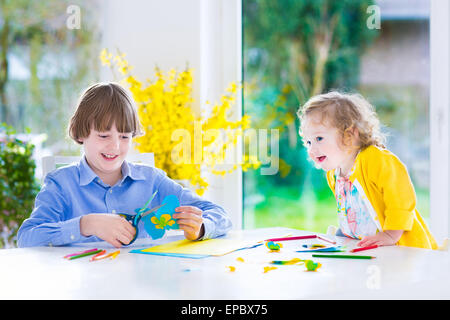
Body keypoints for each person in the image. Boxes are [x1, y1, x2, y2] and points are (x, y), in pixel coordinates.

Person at [17, 82, 232, 248]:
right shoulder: (61, 184)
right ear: (82, 133)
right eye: (103, 135)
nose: (115, 146)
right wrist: (86, 224)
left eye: (124, 136)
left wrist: (201, 227)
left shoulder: (152, 181)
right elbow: (27, 238)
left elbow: (220, 214)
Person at [297, 91, 437, 249]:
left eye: (319, 139)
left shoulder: (374, 158)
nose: (311, 149)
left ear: (350, 135)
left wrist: (390, 234)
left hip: (401, 248)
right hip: (368, 249)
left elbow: (401, 196)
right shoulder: (334, 173)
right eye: (308, 142)